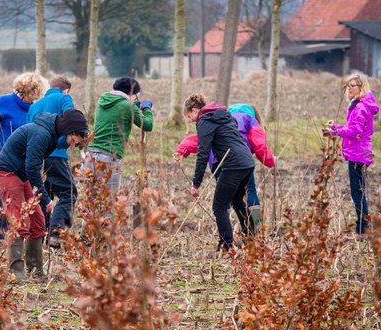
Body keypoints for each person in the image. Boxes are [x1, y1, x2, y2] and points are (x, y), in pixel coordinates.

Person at [0, 109, 89, 283]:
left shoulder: (51, 135)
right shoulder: (42, 134)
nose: (72, 144)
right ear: (69, 130)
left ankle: (36, 269)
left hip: (22, 175)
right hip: (7, 172)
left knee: (38, 220)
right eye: (74, 140)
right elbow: (32, 168)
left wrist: (42, 197)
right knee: (19, 219)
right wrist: (45, 198)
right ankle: (16, 272)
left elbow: (31, 169)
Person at [175, 103, 275, 231]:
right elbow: (260, 146)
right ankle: (255, 228)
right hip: (242, 163)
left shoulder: (221, 119)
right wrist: (271, 161)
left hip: (218, 163)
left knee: (224, 201)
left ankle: (227, 238)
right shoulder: (250, 121)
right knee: (249, 193)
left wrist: (182, 150)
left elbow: (200, 141)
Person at [184, 94, 255, 254]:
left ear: (195, 110)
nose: (192, 120)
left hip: (234, 164)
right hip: (247, 162)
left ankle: (226, 245)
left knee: (219, 206)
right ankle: (251, 240)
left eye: (190, 117)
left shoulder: (204, 120)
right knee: (237, 200)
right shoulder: (224, 114)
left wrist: (196, 183)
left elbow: (203, 152)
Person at [0, 72, 46, 232]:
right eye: (32, 95)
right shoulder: (3, 101)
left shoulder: (33, 110)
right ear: (25, 92)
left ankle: (13, 227)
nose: (34, 98)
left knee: (15, 190)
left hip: (15, 157)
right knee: (1, 189)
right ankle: (1, 232)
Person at [27, 76, 77, 248]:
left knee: (43, 195)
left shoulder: (35, 105)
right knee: (68, 193)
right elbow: (71, 118)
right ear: (66, 90)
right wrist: (69, 140)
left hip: (37, 156)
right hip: (56, 154)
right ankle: (56, 232)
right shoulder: (64, 98)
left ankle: (42, 234)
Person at [326, 73, 379, 234]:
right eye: (347, 85)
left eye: (352, 86)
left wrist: (335, 131)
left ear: (361, 87)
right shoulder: (357, 105)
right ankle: (363, 225)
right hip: (358, 153)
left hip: (359, 154)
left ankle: (363, 227)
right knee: (359, 190)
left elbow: (355, 131)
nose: (349, 89)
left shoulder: (361, 107)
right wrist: (336, 127)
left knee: (358, 191)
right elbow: (352, 127)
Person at [84, 77, 153, 195]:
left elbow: (116, 113)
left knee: (92, 202)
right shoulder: (128, 107)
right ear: (131, 94)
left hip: (90, 157)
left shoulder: (102, 101)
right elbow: (147, 125)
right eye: (136, 96)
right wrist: (147, 109)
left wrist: (132, 107)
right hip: (109, 158)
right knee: (109, 203)